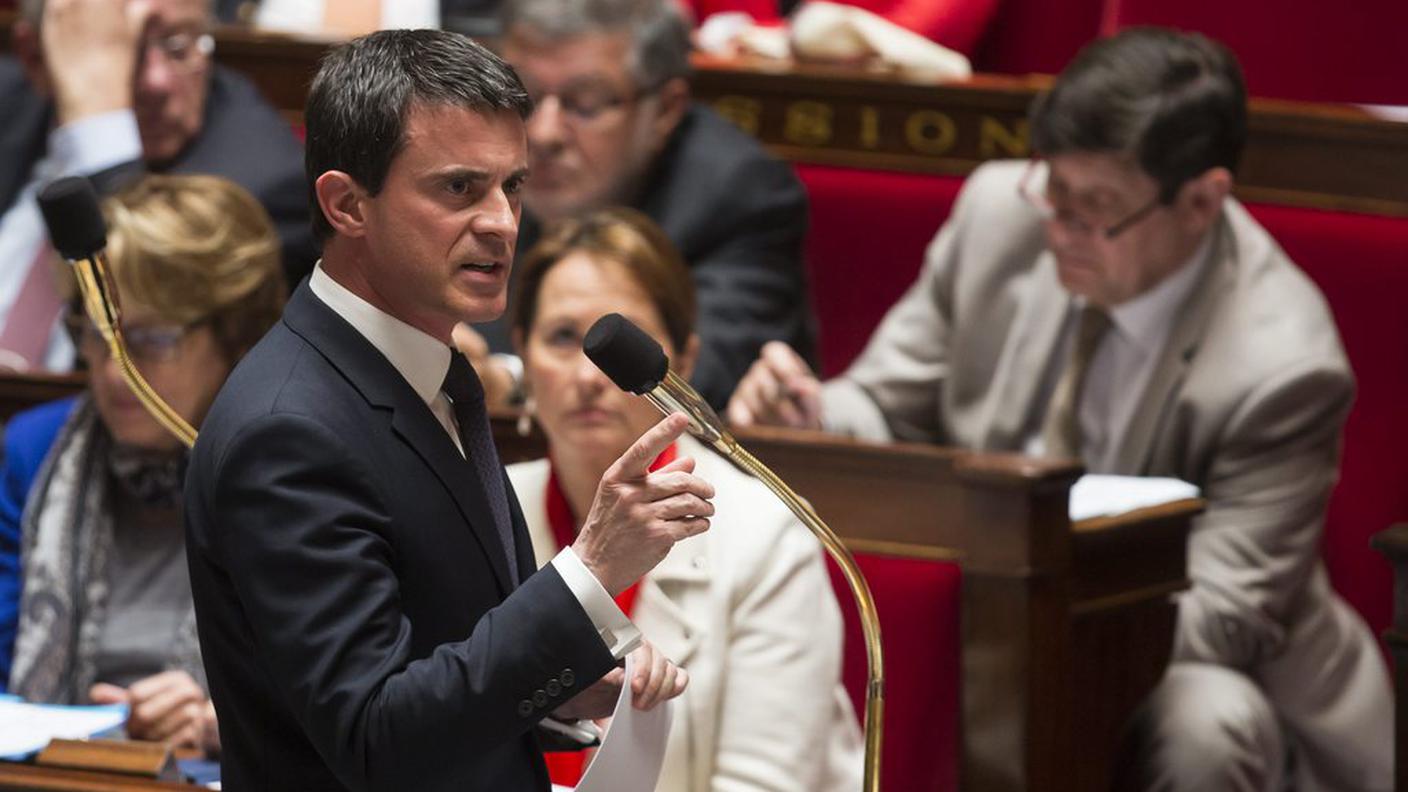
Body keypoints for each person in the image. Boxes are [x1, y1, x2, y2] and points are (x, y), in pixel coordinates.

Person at [726, 27, 1393, 792]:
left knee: (1204, 724)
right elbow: (887, 403)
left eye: (1095, 209)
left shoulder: (1281, 365)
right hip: (1001, 614)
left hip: (1201, 659)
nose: (1058, 230)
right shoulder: (996, 216)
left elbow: (1227, 614)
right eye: (1053, 191)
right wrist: (812, 419)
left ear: (1201, 201)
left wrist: (1018, 620)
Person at [185, 30, 711, 790]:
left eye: (514, 186)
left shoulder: (433, 374)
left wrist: (559, 687)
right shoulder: (288, 429)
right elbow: (373, 736)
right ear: (345, 204)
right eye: (460, 188)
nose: (502, 222)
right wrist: (590, 570)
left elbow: (440, 652)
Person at [499, 207, 862, 792]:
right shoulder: (488, 506)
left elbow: (762, 785)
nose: (589, 376)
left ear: (681, 362)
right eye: (563, 338)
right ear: (523, 353)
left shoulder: (766, 534)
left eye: (615, 346)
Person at [0, 173, 286, 755]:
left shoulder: (286, 468)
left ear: (235, 335)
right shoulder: (34, 451)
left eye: (151, 339)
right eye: (96, 334)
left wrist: (223, 720)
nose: (113, 370)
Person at [466, 0, 815, 411]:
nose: (543, 134)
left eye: (585, 103)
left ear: (665, 109)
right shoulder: (481, 172)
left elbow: (694, 379)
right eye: (525, 96)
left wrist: (509, 382)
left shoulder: (739, 194)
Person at [0, 0, 314, 372]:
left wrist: (99, 129)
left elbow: (146, 325)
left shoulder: (263, 181)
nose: (157, 82)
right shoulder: (10, 102)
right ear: (35, 55)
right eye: (121, 50)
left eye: (177, 45)